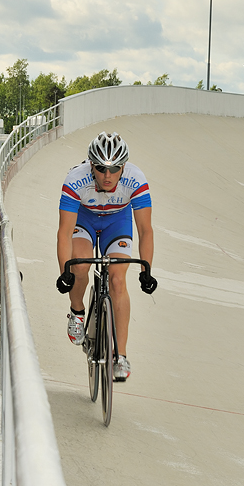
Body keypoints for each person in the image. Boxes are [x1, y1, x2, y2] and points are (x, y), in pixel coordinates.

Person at [55, 132, 157, 381]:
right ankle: (77, 311)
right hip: (85, 219)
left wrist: (147, 271)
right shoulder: (75, 180)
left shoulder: (136, 179)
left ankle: (120, 355)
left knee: (118, 280)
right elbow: (65, 233)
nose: (108, 176)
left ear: (124, 166)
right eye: (101, 169)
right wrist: (64, 273)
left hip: (117, 221)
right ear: (91, 165)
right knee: (79, 267)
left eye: (115, 169)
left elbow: (145, 230)